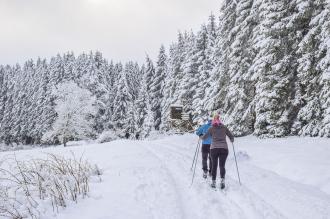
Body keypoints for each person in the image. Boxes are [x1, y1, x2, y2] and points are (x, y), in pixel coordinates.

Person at [201, 114, 234, 189]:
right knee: (222, 166)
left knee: (214, 166)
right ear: (220, 120)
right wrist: (232, 140)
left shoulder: (211, 128)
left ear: (213, 121)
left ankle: (213, 182)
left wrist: (201, 137)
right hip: (224, 149)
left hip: (214, 149)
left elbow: (204, 137)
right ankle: (222, 181)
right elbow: (231, 136)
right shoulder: (224, 128)